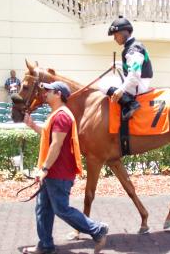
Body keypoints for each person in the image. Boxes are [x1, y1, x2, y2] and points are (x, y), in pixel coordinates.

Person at [23, 81, 108, 254]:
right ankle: (45, 245)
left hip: (58, 173)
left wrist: (45, 168)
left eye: (48, 91)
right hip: (53, 172)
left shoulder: (62, 116)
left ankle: (97, 230)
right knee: (43, 208)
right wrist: (32, 126)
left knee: (61, 209)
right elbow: (48, 135)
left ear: (58, 94)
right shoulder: (56, 114)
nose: (45, 93)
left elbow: (56, 144)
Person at [106, 16, 153, 121]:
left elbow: (134, 74)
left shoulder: (133, 49)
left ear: (124, 33)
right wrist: (117, 64)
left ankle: (131, 104)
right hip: (139, 81)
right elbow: (132, 66)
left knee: (103, 84)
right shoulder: (134, 46)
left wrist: (121, 90)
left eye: (116, 35)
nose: (114, 38)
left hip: (138, 84)